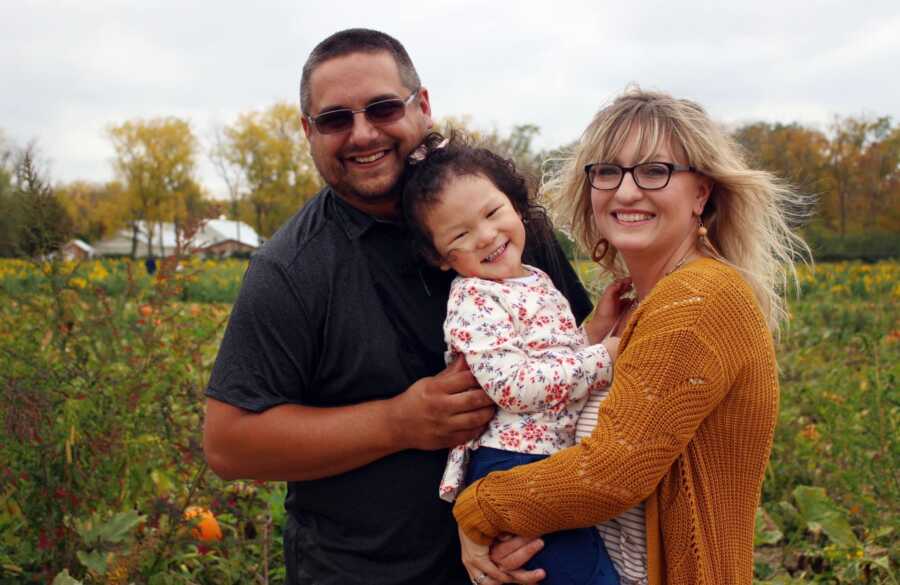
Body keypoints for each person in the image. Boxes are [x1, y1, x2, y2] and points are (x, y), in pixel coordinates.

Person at [201, 29, 590, 585]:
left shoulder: (505, 222)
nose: (362, 134)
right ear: (308, 132)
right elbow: (229, 443)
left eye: (383, 108)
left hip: (525, 555)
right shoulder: (291, 269)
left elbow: (582, 354)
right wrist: (398, 423)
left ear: (423, 106)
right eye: (334, 119)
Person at [452, 87, 808, 584]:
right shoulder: (632, 308)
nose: (625, 191)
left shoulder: (700, 299)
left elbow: (610, 474)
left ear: (701, 192)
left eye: (654, 170)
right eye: (608, 171)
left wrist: (478, 510)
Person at [402, 134, 632, 585]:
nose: (487, 235)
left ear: (516, 204)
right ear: (440, 256)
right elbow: (517, 387)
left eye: (492, 213)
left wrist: (597, 328)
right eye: (462, 234)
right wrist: (603, 359)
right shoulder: (474, 298)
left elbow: (552, 358)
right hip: (514, 459)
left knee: (594, 571)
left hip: (550, 456)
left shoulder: (535, 277)